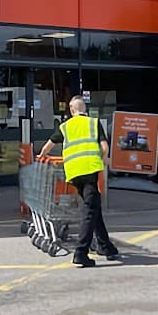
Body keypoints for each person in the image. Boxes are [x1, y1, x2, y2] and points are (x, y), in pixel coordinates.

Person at [38, 96, 120, 268]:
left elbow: (49, 145)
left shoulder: (65, 127)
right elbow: (104, 147)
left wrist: (42, 156)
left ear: (71, 109)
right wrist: (105, 159)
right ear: (85, 109)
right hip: (90, 170)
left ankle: (106, 247)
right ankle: (81, 253)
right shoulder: (93, 123)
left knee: (93, 207)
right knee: (90, 211)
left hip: (74, 174)